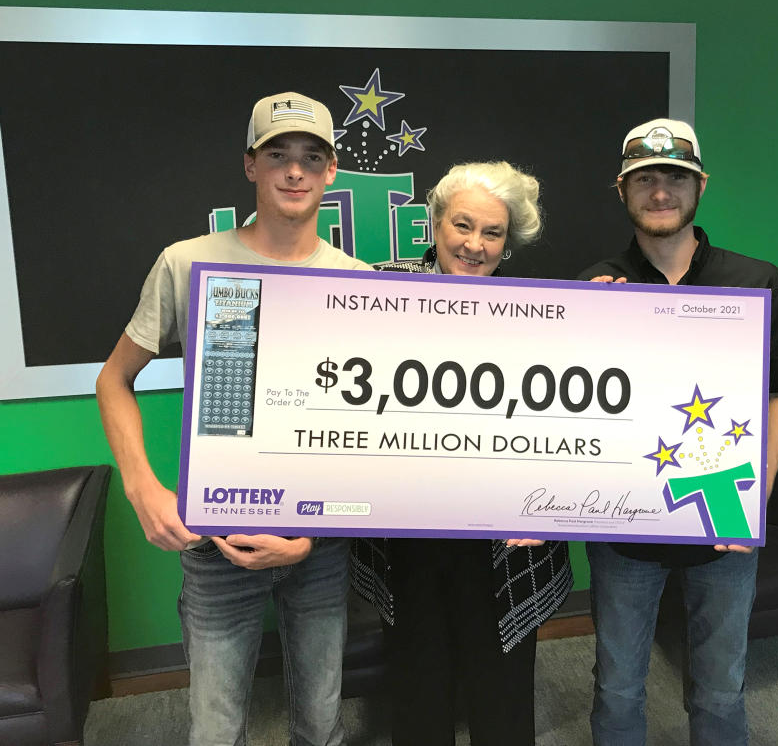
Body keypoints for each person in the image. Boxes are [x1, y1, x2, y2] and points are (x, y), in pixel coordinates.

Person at [96, 91, 373, 746]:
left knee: (321, 723)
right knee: (216, 731)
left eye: (312, 157)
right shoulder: (189, 261)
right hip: (216, 545)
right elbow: (113, 379)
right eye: (278, 155)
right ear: (251, 165)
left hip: (317, 549)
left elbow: (360, 433)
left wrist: (312, 532)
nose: (295, 171)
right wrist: (144, 489)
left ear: (332, 171)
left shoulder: (358, 279)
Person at [579, 119, 778, 746]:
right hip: (624, 524)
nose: (661, 192)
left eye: (676, 179)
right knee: (618, 688)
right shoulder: (596, 286)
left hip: (722, 517)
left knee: (719, 686)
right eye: (645, 180)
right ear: (622, 190)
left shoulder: (758, 281)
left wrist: (757, 491)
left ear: (700, 186)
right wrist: (588, 324)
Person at [351, 161, 573, 746]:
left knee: (502, 695)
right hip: (408, 533)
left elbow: (578, 428)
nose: (474, 244)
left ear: (509, 242)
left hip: (505, 537)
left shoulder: (549, 315)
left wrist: (550, 504)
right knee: (418, 690)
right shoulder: (378, 289)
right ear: (436, 223)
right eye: (463, 225)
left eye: (492, 233)